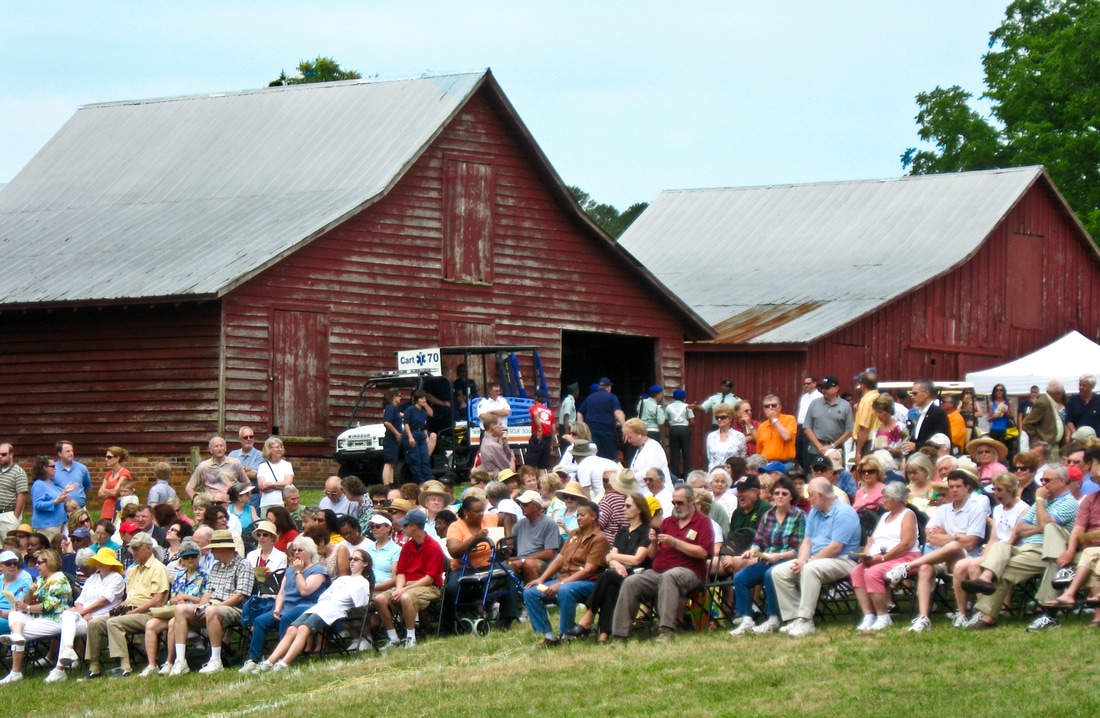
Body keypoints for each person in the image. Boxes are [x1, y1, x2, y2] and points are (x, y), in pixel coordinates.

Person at [962, 464, 1079, 630]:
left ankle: (1046, 614)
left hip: (1051, 550)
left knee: (1003, 568)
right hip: (1029, 548)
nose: (1043, 484)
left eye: (1047, 480)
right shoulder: (1045, 501)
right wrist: (1040, 522)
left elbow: (1048, 526)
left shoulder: (1069, 502)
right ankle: (986, 591)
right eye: (1042, 480)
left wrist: (1038, 500)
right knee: (1000, 549)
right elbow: (1020, 529)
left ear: (1061, 481)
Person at [611, 485, 714, 643]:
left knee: (669, 577)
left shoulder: (703, 522)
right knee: (631, 581)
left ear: (692, 500)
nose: (676, 507)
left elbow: (703, 552)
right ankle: (619, 635)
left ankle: (666, 631)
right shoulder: (668, 523)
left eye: (680, 503)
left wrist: (674, 542)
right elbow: (653, 555)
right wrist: (652, 543)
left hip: (690, 572)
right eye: (674, 503)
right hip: (658, 571)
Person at [252, 548, 373, 672]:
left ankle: (283, 663)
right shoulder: (342, 579)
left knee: (303, 629)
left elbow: (360, 606)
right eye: (350, 559)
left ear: (365, 563)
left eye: (356, 559)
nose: (352, 561)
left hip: (333, 610)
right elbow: (325, 595)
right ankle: (269, 662)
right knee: (291, 629)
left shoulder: (362, 582)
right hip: (320, 606)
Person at [768, 478, 863, 636]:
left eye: (810, 495)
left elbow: (835, 548)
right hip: (816, 558)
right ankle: (794, 618)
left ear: (820, 495)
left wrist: (808, 562)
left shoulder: (844, 513)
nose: (807, 498)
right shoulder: (814, 511)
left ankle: (806, 621)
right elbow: (807, 542)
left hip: (844, 560)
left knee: (810, 569)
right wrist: (801, 560)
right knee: (778, 572)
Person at [166, 529, 255, 674]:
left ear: (222, 549)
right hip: (212, 605)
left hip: (234, 608)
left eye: (213, 549)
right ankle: (180, 661)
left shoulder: (244, 565)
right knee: (181, 609)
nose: (211, 552)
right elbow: (208, 592)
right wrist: (202, 605)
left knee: (211, 610)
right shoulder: (215, 567)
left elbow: (240, 596)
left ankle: (216, 660)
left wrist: (214, 606)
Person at [237, 535, 330, 673]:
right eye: (295, 550)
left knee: (286, 619)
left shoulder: (318, 571)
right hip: (286, 607)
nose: (296, 553)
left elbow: (305, 591)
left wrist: (298, 572)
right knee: (260, 621)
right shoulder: (290, 570)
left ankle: (281, 658)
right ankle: (254, 659)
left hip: (306, 607)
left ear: (310, 552)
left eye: (300, 550)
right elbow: (281, 592)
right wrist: (277, 608)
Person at [567, 493, 652, 642]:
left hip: (638, 576)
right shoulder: (622, 531)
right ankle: (604, 635)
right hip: (619, 574)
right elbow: (609, 558)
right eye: (624, 505)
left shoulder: (647, 531)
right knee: (609, 587)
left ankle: (589, 616)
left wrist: (614, 558)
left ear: (639, 509)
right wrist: (616, 563)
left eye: (628, 506)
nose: (624, 508)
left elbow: (637, 559)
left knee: (606, 576)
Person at [523, 499, 609, 647]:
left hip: (589, 584)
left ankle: (567, 634)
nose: (579, 518)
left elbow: (589, 570)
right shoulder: (574, 533)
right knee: (530, 592)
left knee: (565, 590)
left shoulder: (599, 539)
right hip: (565, 580)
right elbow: (560, 559)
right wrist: (541, 579)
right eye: (578, 515)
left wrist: (561, 583)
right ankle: (549, 636)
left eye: (582, 515)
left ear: (593, 516)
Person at [83, 532, 169, 678]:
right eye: (132, 549)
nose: (133, 552)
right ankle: (94, 667)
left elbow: (157, 600)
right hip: (130, 611)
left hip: (148, 613)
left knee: (114, 623)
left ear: (149, 548)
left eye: (137, 548)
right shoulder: (133, 570)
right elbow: (129, 598)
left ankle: (124, 666)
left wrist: (133, 612)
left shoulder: (158, 568)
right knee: (94, 623)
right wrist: (118, 609)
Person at [728, 476, 806, 636]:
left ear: (792, 496)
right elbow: (758, 540)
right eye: (776, 493)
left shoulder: (799, 516)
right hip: (767, 558)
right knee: (740, 578)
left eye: (784, 494)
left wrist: (779, 556)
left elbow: (800, 548)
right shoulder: (768, 515)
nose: (780, 496)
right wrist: (752, 551)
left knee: (771, 574)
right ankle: (746, 619)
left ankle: (773, 617)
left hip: (788, 559)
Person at [850, 481, 920, 631]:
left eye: (886, 497)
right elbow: (872, 540)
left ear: (897, 499)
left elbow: (906, 544)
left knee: (873, 573)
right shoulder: (884, 516)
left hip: (906, 558)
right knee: (856, 572)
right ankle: (868, 615)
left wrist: (882, 558)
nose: (883, 501)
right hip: (880, 557)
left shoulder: (908, 515)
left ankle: (883, 616)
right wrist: (867, 554)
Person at [0, 549, 75, 684]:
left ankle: (15, 671)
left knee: (20, 631)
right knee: (15, 614)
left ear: (50, 563)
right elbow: (27, 603)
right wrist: (29, 592)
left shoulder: (59, 579)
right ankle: (16, 642)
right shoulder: (41, 579)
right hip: (40, 617)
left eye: (40, 563)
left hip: (56, 619)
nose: (36, 566)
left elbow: (50, 606)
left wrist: (27, 608)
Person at [375, 509, 445, 649]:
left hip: (429, 587)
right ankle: (393, 638)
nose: (402, 528)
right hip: (408, 585)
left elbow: (430, 579)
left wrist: (404, 590)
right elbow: (401, 572)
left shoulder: (433, 547)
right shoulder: (408, 546)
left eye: (405, 525)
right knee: (379, 599)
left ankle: (410, 637)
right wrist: (399, 589)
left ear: (414, 526)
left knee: (406, 597)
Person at [142, 540, 207, 676]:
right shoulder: (179, 575)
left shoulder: (205, 575)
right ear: (181, 558)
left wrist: (188, 597)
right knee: (151, 624)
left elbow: (206, 600)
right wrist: (176, 599)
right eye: (186, 556)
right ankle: (152, 664)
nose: (190, 559)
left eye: (193, 556)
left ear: (199, 556)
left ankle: (170, 662)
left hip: (194, 613)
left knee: (173, 623)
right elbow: (172, 598)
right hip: (174, 610)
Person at [803, 376, 854, 464]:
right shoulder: (814, 404)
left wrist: (833, 446)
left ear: (836, 388)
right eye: (822, 387)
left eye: (827, 388)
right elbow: (807, 427)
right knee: (814, 475)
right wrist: (819, 446)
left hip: (836, 449)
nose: (824, 390)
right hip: (816, 449)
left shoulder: (845, 405)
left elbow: (849, 431)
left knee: (836, 475)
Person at [577, 378, 626, 461]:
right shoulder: (612, 397)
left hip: (591, 430)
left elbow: (579, 413)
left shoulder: (589, 398)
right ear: (609, 387)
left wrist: (581, 429)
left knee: (593, 454)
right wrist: (625, 427)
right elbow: (618, 413)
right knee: (609, 457)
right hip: (608, 431)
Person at [185, 435, 247, 500]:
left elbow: (247, 483)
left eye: (221, 446)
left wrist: (242, 500)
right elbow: (189, 487)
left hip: (231, 504)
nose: (219, 449)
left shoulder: (235, 463)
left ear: (225, 448)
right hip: (212, 505)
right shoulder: (204, 466)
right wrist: (196, 499)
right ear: (211, 450)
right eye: (216, 446)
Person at [901, 379, 951, 454]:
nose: (912, 397)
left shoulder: (938, 414)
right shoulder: (921, 414)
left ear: (926, 393)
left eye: (915, 394)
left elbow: (940, 441)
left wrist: (916, 446)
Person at [29, 455, 72, 541]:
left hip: (58, 524)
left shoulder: (50, 483)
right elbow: (37, 505)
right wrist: (55, 502)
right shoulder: (39, 484)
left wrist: (64, 491)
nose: (55, 468)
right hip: (47, 527)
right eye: (53, 466)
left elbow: (56, 498)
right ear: (45, 468)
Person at [625, 418, 670, 490]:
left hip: (657, 493)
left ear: (639, 433)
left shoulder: (653, 447)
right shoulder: (640, 448)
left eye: (630, 437)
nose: (629, 440)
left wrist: (631, 476)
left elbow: (652, 472)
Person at [229, 427, 265, 510]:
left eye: (251, 437)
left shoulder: (260, 455)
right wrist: (245, 468)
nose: (249, 439)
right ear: (240, 439)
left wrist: (237, 470)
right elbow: (229, 473)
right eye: (245, 437)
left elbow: (254, 474)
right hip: (235, 497)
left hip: (253, 497)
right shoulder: (232, 455)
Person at [1023, 380, 1067, 446]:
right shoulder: (1043, 403)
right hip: (1046, 447)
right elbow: (1027, 423)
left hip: (1055, 445)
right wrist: (1037, 441)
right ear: (1057, 393)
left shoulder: (1050, 401)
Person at [404, 390, 435, 483]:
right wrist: (410, 437)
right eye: (422, 398)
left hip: (421, 434)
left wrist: (427, 437)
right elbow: (406, 424)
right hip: (413, 433)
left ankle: (428, 478)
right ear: (417, 400)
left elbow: (425, 425)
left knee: (425, 457)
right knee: (415, 458)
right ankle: (419, 479)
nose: (424, 400)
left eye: (425, 398)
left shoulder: (423, 412)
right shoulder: (410, 410)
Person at [756, 395, 797, 463]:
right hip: (767, 463)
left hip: (785, 462)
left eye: (773, 405)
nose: (770, 408)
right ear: (764, 410)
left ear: (780, 408)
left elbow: (787, 437)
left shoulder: (790, 419)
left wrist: (774, 420)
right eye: (767, 406)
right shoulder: (762, 426)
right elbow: (759, 450)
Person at [256, 436, 294, 510]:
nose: (280, 449)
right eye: (277, 447)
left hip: (282, 503)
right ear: (269, 449)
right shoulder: (262, 466)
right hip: (266, 504)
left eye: (281, 447)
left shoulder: (287, 465)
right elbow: (262, 486)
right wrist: (280, 485)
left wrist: (270, 484)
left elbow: (288, 483)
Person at [52, 441, 92, 508]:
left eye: (72, 451)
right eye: (67, 451)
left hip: (80, 510)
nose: (71, 453)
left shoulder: (82, 468)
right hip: (60, 510)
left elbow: (86, 487)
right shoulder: (52, 469)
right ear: (59, 453)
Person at [706, 403, 746, 470]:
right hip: (714, 473)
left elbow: (742, 458)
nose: (719, 419)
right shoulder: (711, 436)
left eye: (723, 417)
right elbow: (709, 457)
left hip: (732, 473)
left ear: (730, 418)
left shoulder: (739, 436)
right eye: (717, 417)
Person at [97, 446, 131, 522]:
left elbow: (116, 492)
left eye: (109, 457)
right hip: (106, 510)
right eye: (106, 457)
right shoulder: (108, 474)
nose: (106, 459)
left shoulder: (124, 473)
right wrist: (110, 492)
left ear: (117, 458)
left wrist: (106, 491)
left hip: (117, 509)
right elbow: (100, 493)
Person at [665, 389, 694, 479]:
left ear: (673, 397)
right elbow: (692, 422)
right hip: (684, 429)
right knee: (686, 453)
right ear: (684, 397)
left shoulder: (668, 407)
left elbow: (665, 422)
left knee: (674, 454)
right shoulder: (687, 407)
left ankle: (675, 476)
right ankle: (687, 476)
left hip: (673, 430)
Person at [853, 371, 880, 462]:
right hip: (878, 440)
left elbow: (864, 428)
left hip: (866, 443)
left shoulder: (866, 401)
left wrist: (858, 451)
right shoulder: (878, 397)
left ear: (863, 385)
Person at [526, 389, 555, 470]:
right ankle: (542, 482)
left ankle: (531, 481)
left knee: (531, 464)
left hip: (537, 438)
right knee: (542, 466)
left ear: (535, 398)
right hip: (547, 439)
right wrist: (551, 443)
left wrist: (539, 429)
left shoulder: (533, 408)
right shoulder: (550, 412)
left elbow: (535, 414)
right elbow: (553, 429)